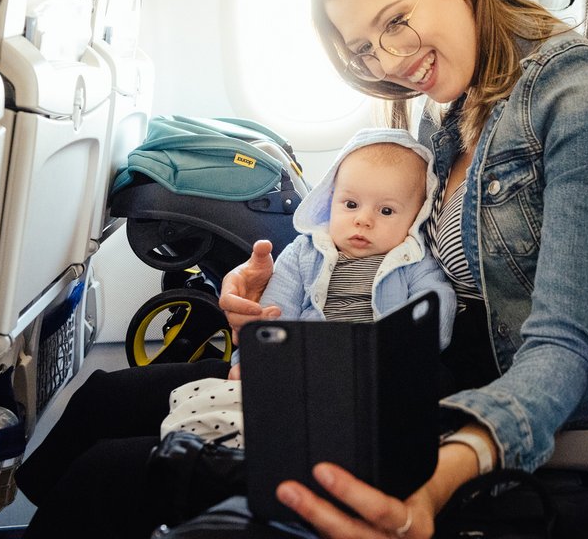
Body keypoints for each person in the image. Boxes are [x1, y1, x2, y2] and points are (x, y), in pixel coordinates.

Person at [218, 0, 588, 539]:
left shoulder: (581, 103)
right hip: (398, 362)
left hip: (478, 399)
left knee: (120, 474)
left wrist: (448, 468)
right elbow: (408, 250)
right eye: (364, 48)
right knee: (105, 407)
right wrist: (282, 291)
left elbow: (565, 350)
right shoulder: (451, 99)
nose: (390, 62)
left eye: (396, 21)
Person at [162, 127, 457, 447]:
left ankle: (270, 442)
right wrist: (250, 361)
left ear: (416, 217)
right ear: (331, 200)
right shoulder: (305, 253)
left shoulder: (413, 261)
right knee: (207, 401)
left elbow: (435, 308)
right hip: (302, 363)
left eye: (386, 210)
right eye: (351, 204)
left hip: (371, 373)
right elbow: (273, 312)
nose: (363, 220)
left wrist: (399, 353)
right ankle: (200, 443)